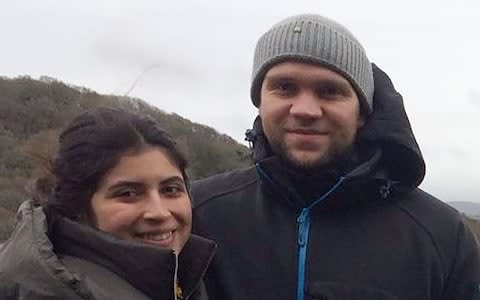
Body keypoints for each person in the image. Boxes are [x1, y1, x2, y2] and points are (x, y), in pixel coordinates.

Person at [191, 14, 480, 300]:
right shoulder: (196, 214)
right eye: (284, 87)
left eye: (330, 91)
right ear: (259, 101)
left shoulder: (442, 236)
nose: (305, 109)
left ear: (362, 113)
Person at [0, 108, 216, 300]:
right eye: (129, 193)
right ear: (77, 205)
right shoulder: (59, 291)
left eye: (171, 189)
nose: (159, 212)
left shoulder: (174, 278)